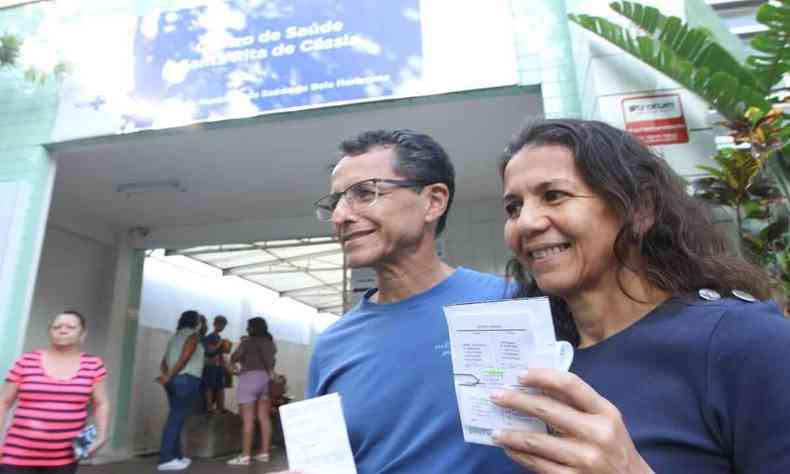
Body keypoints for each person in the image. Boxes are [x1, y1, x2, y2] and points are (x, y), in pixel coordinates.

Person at [490, 118, 790, 473]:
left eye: (554, 196)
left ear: (640, 209)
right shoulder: (540, 362)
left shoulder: (745, 341)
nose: (526, 223)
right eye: (514, 207)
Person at [296, 129, 522, 474]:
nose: (340, 216)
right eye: (335, 202)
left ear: (433, 201)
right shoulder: (332, 346)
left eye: (364, 192)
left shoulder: (511, 306)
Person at [0, 310, 110, 474]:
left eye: (70, 327)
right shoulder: (26, 361)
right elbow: (4, 402)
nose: (62, 330)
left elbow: (101, 403)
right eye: (56, 327)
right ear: (50, 332)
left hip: (63, 460)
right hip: (17, 455)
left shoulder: (93, 365)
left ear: (83, 334)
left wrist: (101, 435)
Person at [156, 310, 205, 471]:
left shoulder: (176, 336)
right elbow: (186, 356)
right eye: (199, 320)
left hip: (174, 380)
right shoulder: (193, 335)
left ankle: (176, 456)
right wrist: (170, 375)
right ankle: (166, 458)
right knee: (176, 418)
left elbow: (164, 360)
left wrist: (167, 376)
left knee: (177, 416)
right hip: (186, 379)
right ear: (196, 322)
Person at [226, 317, 277, 466]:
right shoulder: (270, 344)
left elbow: (234, 358)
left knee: (248, 420)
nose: (247, 329)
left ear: (252, 328)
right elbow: (272, 362)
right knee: (264, 418)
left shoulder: (247, 342)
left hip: (248, 380)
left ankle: (245, 456)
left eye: (249, 327)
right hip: (265, 380)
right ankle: (264, 453)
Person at [201, 315, 229, 414]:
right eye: (221, 324)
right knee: (209, 387)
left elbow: (222, 352)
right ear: (215, 324)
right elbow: (209, 351)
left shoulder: (218, 337)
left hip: (219, 365)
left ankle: (221, 407)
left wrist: (225, 347)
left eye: (223, 325)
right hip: (210, 365)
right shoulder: (209, 337)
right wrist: (220, 344)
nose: (222, 327)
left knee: (220, 387)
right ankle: (209, 407)